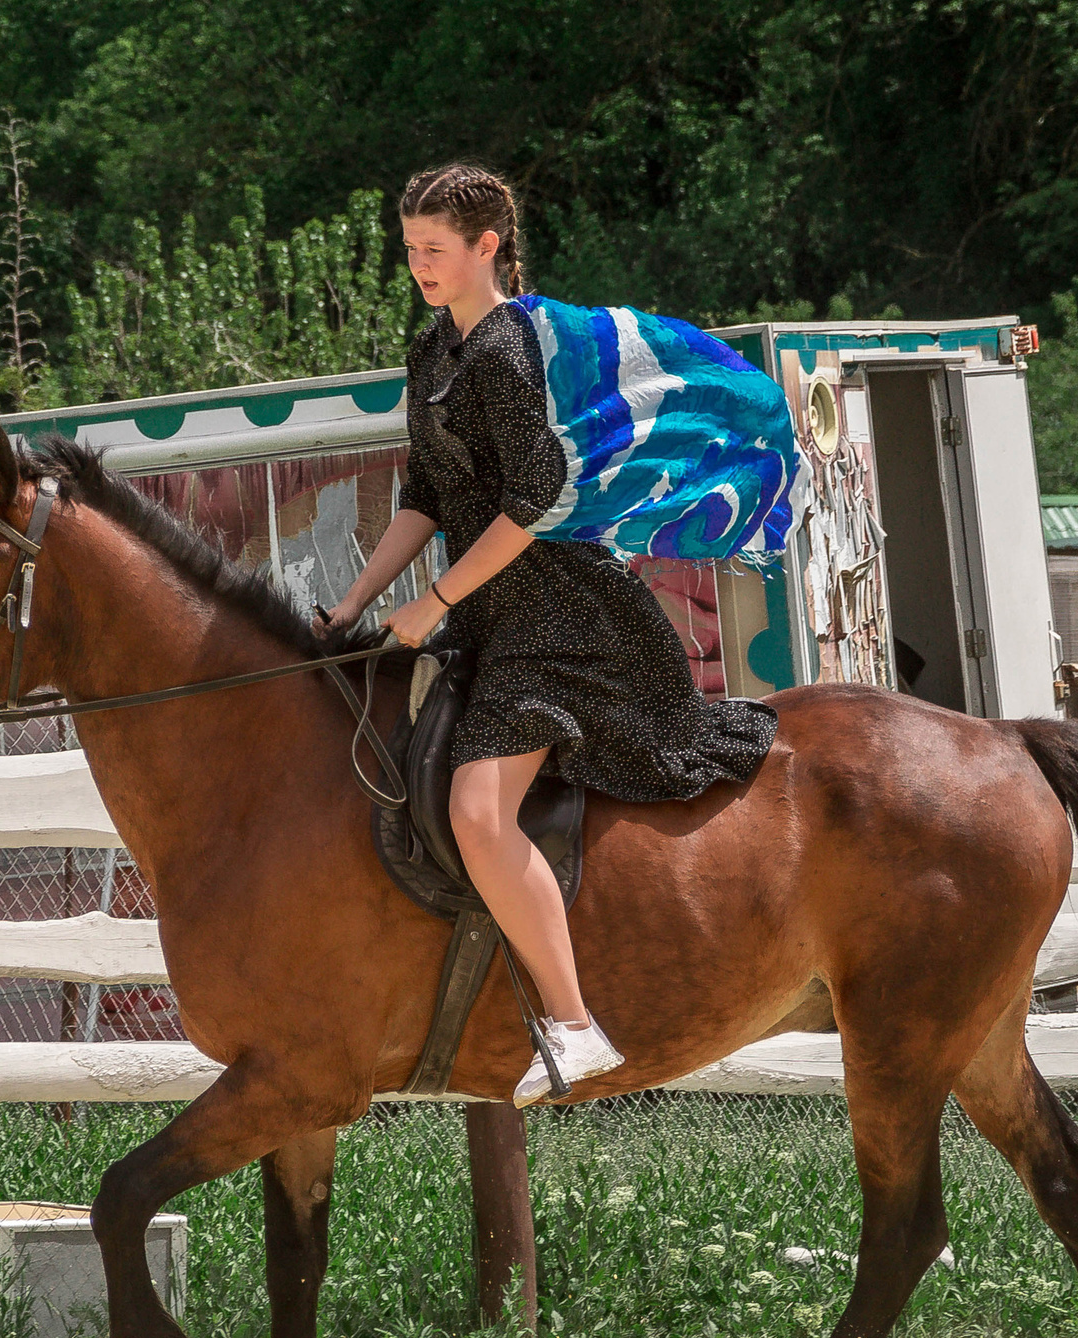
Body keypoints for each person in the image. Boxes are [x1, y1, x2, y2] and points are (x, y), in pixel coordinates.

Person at [319, 163, 778, 1107]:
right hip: (488, 615)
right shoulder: (431, 354)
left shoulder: (505, 352)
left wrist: (434, 599)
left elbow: (535, 499)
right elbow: (428, 494)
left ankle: (573, 1026)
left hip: (563, 619)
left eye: (435, 250)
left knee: (480, 817)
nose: (419, 267)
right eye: (409, 251)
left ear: (488, 246)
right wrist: (354, 599)